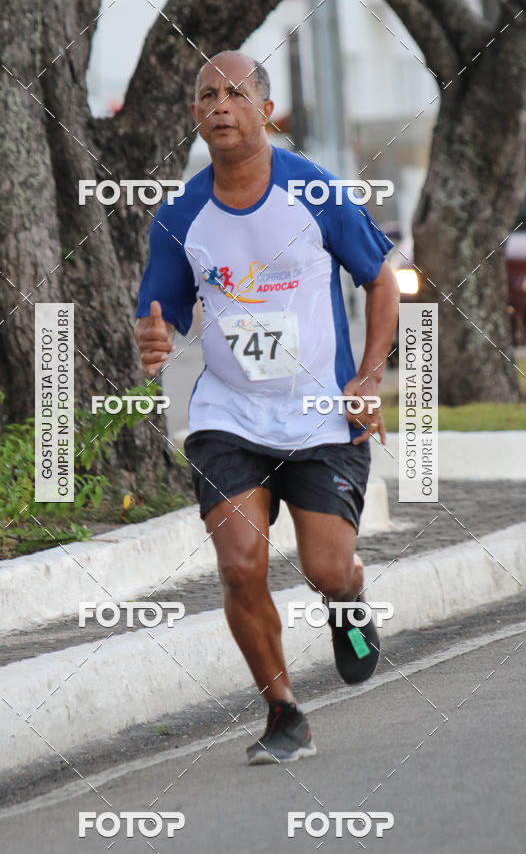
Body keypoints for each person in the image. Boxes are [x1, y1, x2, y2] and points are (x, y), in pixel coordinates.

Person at [134, 50, 400, 765]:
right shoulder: (182, 213)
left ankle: (348, 601)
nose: (219, 105)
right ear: (196, 115)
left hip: (321, 417)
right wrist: (154, 337)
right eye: (205, 95)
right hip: (229, 416)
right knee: (240, 562)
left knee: (326, 567)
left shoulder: (314, 192)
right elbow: (161, 315)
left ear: (265, 109)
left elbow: (383, 283)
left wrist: (368, 378)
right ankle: (283, 711)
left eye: (234, 92)